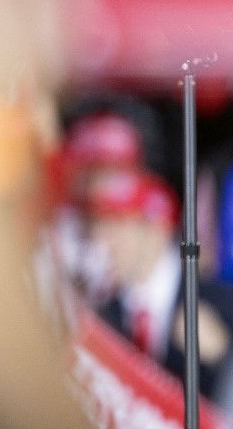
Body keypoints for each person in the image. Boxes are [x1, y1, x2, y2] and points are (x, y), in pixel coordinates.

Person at [88, 168, 233, 400]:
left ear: (156, 229)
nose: (102, 240)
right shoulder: (101, 315)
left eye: (117, 224)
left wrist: (222, 357)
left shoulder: (220, 301)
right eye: (99, 226)